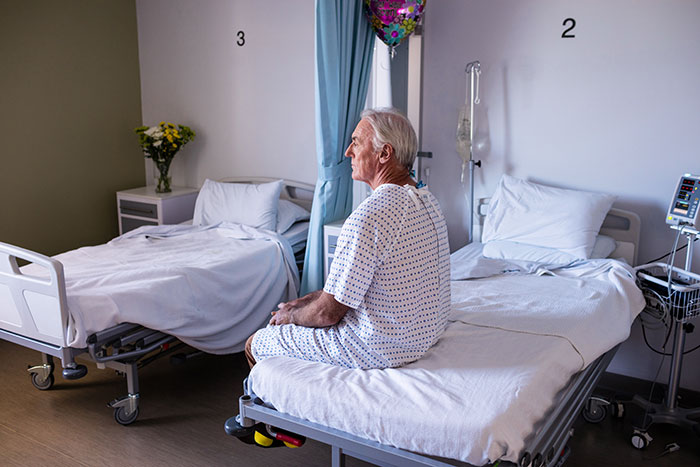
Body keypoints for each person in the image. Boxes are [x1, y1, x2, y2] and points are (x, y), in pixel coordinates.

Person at [245, 108, 450, 370]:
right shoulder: (426, 200)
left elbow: (326, 314)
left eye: (356, 142)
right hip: (420, 336)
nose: (347, 152)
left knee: (256, 342)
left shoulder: (370, 216)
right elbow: (354, 288)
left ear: (384, 153)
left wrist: (291, 316)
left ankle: (266, 405)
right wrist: (305, 301)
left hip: (379, 348)